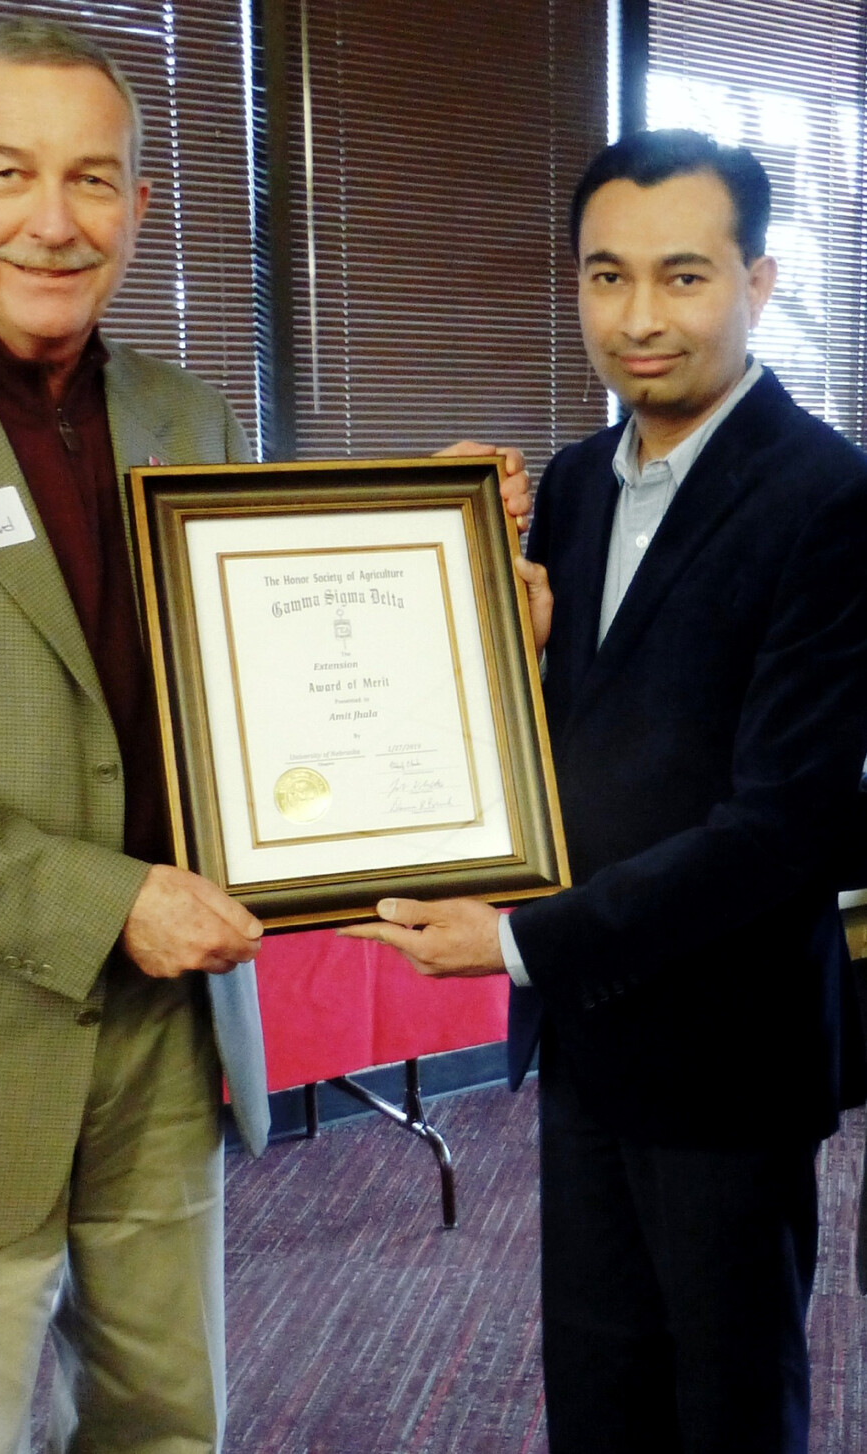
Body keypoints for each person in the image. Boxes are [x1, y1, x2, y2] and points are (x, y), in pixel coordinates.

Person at [0, 20, 530, 1453]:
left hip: (159, 1050)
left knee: (167, 1427)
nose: (52, 221)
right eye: (9, 173)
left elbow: (259, 664)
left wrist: (429, 546)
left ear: (137, 207)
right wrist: (110, 900)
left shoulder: (182, 416)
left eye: (93, 178)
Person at [345, 129, 867, 1454]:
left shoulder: (826, 497)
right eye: (604, 276)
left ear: (755, 283)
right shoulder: (572, 483)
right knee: (597, 1387)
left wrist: (516, 938)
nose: (638, 318)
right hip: (588, 1040)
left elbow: (781, 826)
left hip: (727, 1050)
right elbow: (573, 747)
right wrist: (485, 633)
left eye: (682, 277)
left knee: (728, 1401)